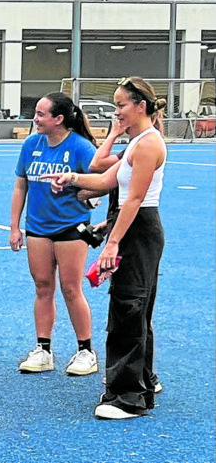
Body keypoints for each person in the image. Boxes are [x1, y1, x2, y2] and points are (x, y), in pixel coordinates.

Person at [44, 76, 167, 419]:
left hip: (139, 228)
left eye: (121, 105)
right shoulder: (136, 142)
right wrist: (72, 178)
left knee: (128, 309)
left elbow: (135, 199)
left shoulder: (147, 145)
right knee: (135, 309)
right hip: (135, 226)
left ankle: (128, 397)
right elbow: (103, 180)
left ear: (140, 106)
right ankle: (141, 382)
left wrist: (111, 242)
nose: (116, 113)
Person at [9, 92, 98, 376]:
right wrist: (15, 226)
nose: (35, 118)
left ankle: (86, 351)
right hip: (37, 228)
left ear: (58, 119)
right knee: (42, 286)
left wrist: (84, 192)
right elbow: (20, 186)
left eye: (41, 114)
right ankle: (43, 350)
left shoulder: (81, 148)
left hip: (71, 228)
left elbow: (102, 183)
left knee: (71, 289)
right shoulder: (31, 145)